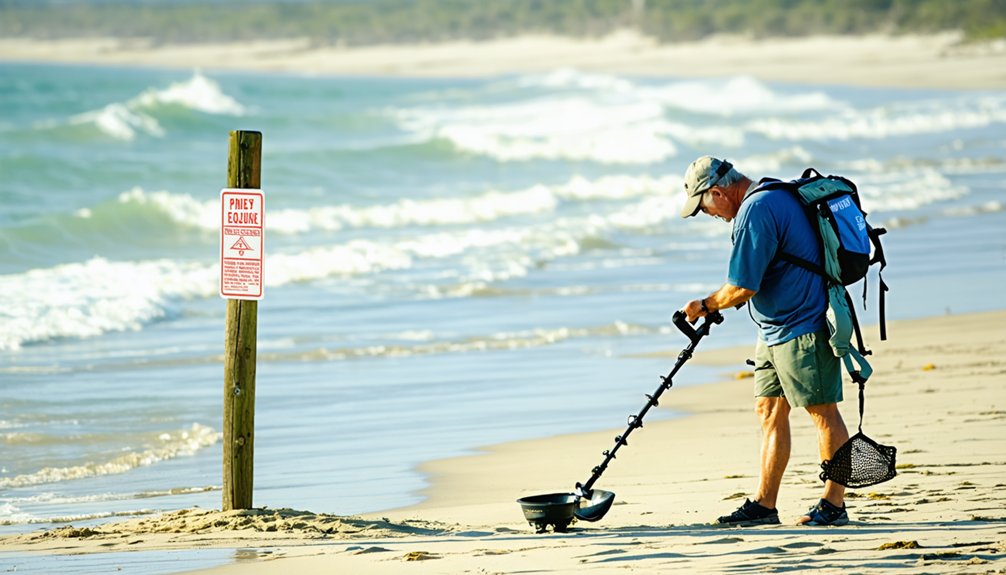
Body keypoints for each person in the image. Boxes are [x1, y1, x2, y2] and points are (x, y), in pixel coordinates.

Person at [678, 156, 851, 527]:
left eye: (703, 207)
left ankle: (834, 505)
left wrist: (705, 305)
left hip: (802, 326)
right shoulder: (769, 196)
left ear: (719, 192)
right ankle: (764, 505)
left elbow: (743, 285)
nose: (707, 215)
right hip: (774, 329)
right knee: (769, 411)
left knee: (823, 412)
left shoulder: (756, 209)